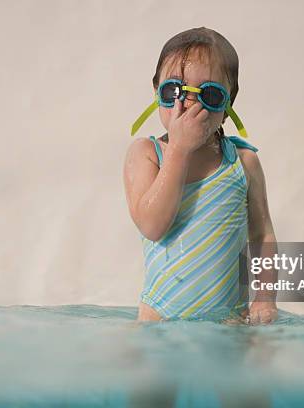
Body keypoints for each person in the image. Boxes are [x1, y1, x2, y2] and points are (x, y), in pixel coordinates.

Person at [123, 27, 277, 324]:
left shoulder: (243, 162)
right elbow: (152, 226)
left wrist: (264, 299)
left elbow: (263, 235)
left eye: (209, 95)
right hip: (160, 324)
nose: (190, 105)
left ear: (229, 102)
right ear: (156, 92)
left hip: (228, 323)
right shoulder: (145, 154)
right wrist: (178, 149)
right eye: (174, 91)